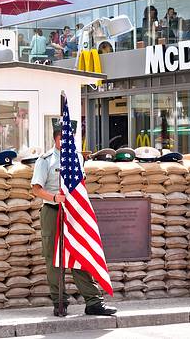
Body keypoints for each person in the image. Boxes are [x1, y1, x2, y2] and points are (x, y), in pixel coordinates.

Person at [30, 121, 116, 317]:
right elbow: (35, 188)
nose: (67, 141)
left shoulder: (77, 157)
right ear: (56, 138)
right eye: (63, 138)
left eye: (70, 138)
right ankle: (59, 301)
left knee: (80, 254)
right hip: (53, 211)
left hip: (73, 212)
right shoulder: (46, 160)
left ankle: (93, 302)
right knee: (54, 259)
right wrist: (54, 197)